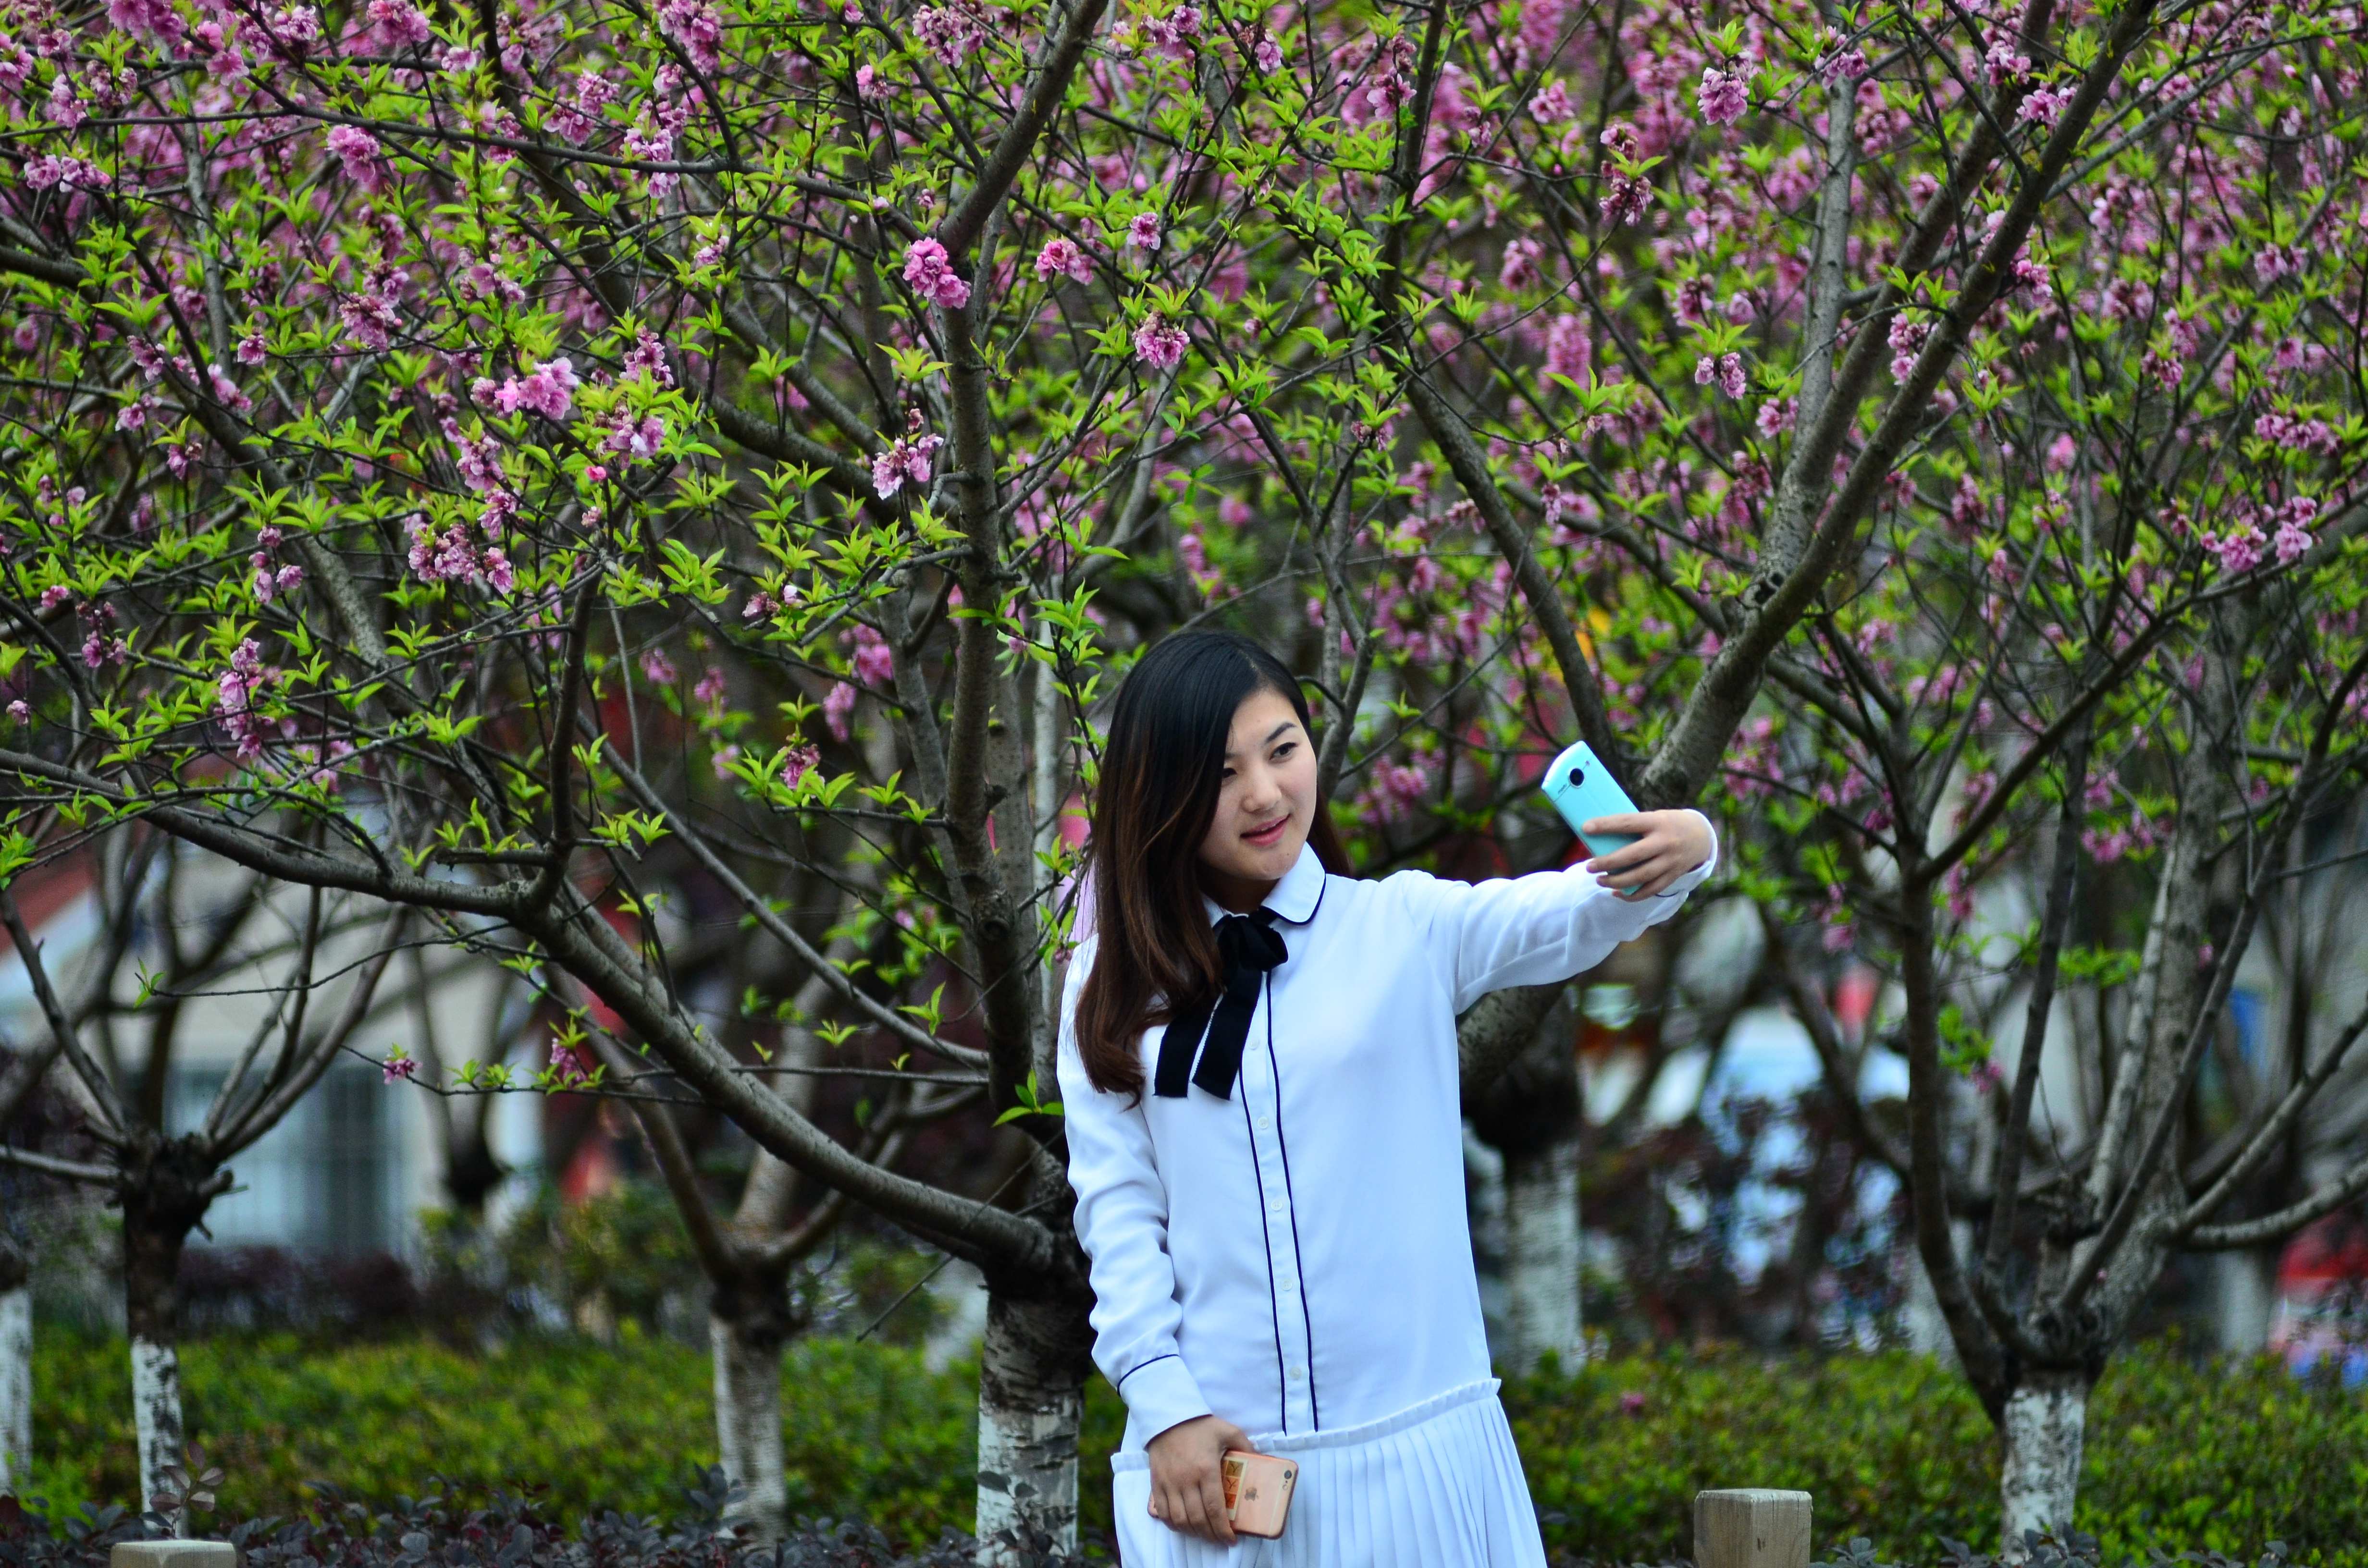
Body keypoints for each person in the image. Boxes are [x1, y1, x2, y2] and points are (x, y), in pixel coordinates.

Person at [1056, 629, 1717, 1566]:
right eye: (1218, 773)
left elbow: (1570, 912)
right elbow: (1117, 1208)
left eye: (1282, 750)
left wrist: (1688, 848)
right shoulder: (1112, 982)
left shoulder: (1401, 926)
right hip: (1218, 1476)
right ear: (1158, 797)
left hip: (1421, 1474)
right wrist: (1163, 1406)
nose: (1263, 793)